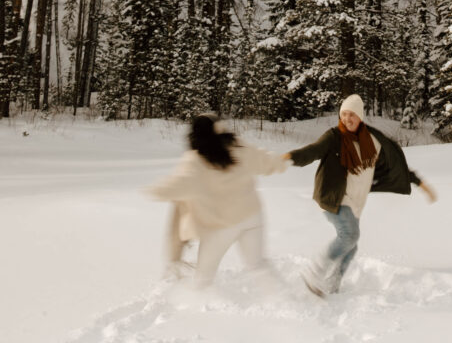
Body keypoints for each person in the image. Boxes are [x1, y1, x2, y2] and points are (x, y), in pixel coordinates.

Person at [283, 93, 436, 296]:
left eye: (352, 115)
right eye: (344, 114)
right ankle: (315, 273)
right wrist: (289, 158)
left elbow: (395, 167)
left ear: (360, 117)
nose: (347, 119)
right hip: (333, 197)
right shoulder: (334, 137)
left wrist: (419, 182)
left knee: (351, 245)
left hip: (355, 202)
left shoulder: (373, 142)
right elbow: (313, 151)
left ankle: (332, 285)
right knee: (350, 235)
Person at [147, 113, 287, 287]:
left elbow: (179, 184)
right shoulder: (238, 146)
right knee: (257, 265)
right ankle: (284, 299)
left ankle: (199, 306)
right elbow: (265, 161)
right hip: (252, 217)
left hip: (220, 226)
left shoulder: (195, 160)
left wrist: (154, 191)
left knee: (204, 276)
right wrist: (282, 162)